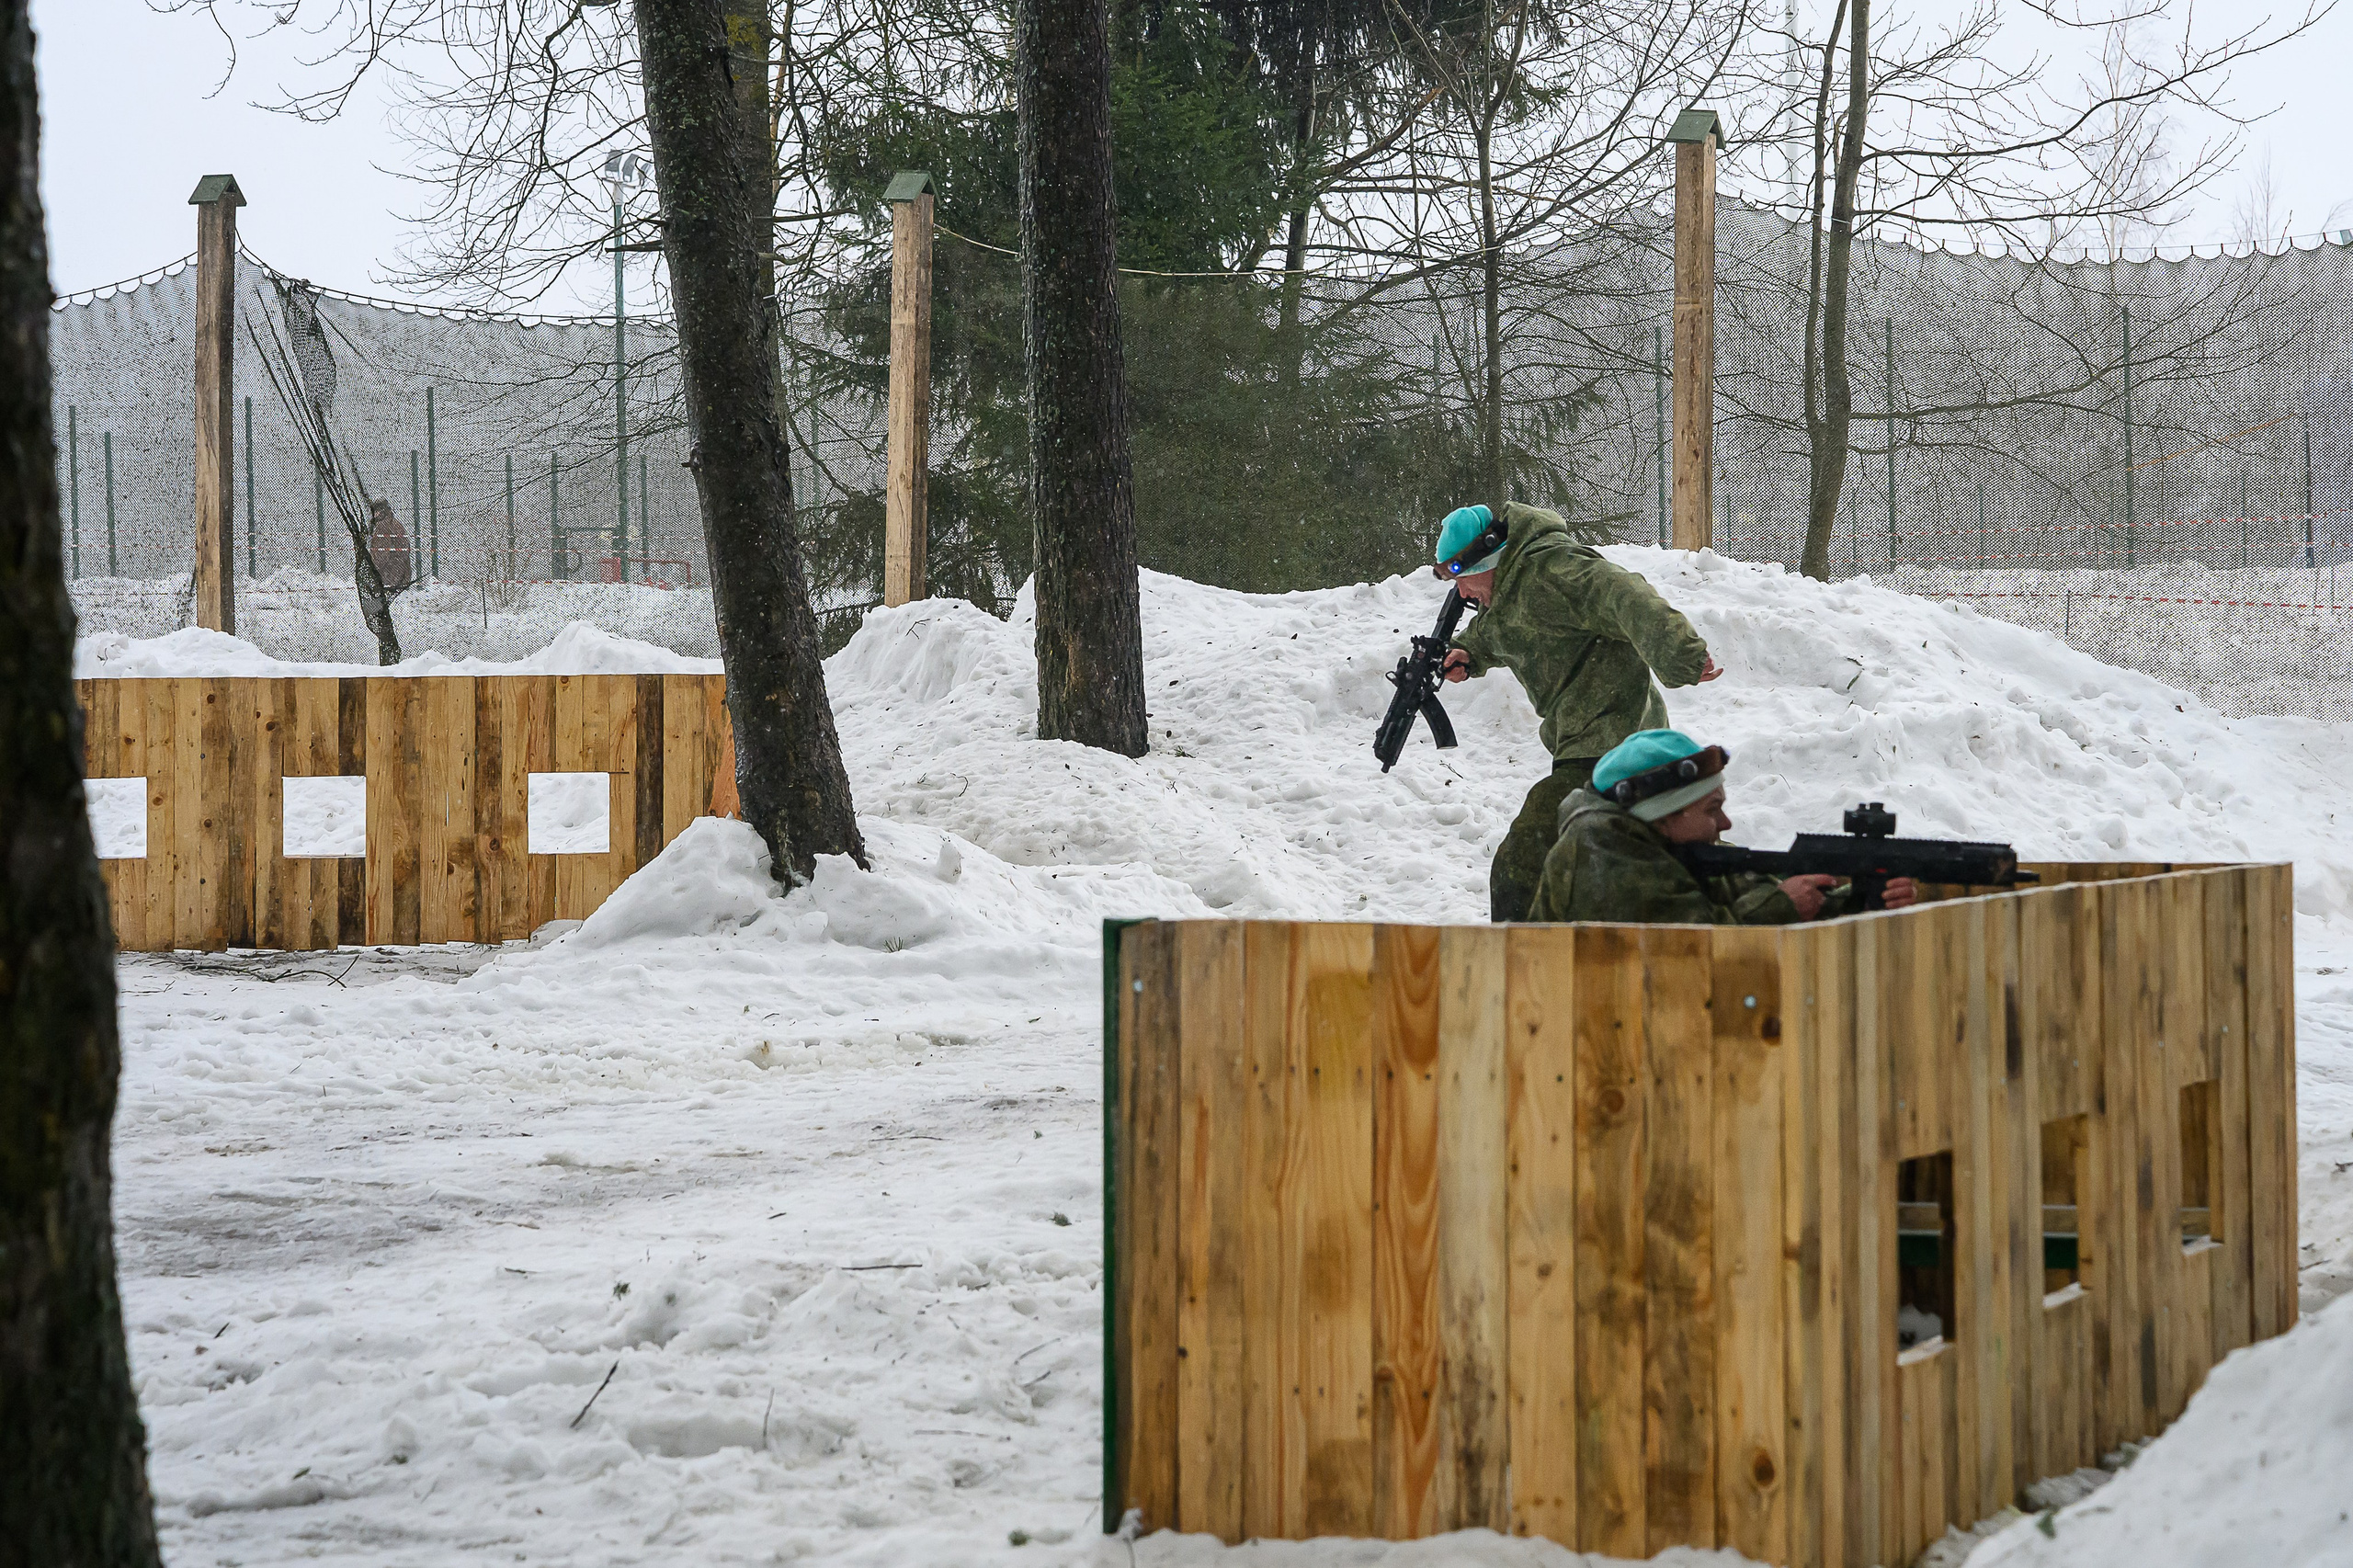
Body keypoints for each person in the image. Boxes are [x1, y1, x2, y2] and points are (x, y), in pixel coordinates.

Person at [1434, 502, 1720, 922]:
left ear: (1490, 554)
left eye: (1461, 577)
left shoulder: (1552, 570)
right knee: (1615, 867)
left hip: (1609, 740)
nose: (1460, 592)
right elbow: (1501, 630)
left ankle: (1522, 971)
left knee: (1523, 863)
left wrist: (1679, 653)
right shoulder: (1509, 591)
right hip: (1590, 743)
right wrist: (1468, 653)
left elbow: (1623, 593)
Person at [1526, 728, 1918, 925]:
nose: (1725, 823)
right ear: (1664, 815)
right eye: (1712, 809)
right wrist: (1782, 905)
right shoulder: (1600, 856)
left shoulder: (1665, 847)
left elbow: (1744, 891)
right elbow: (1689, 950)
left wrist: (1859, 900)